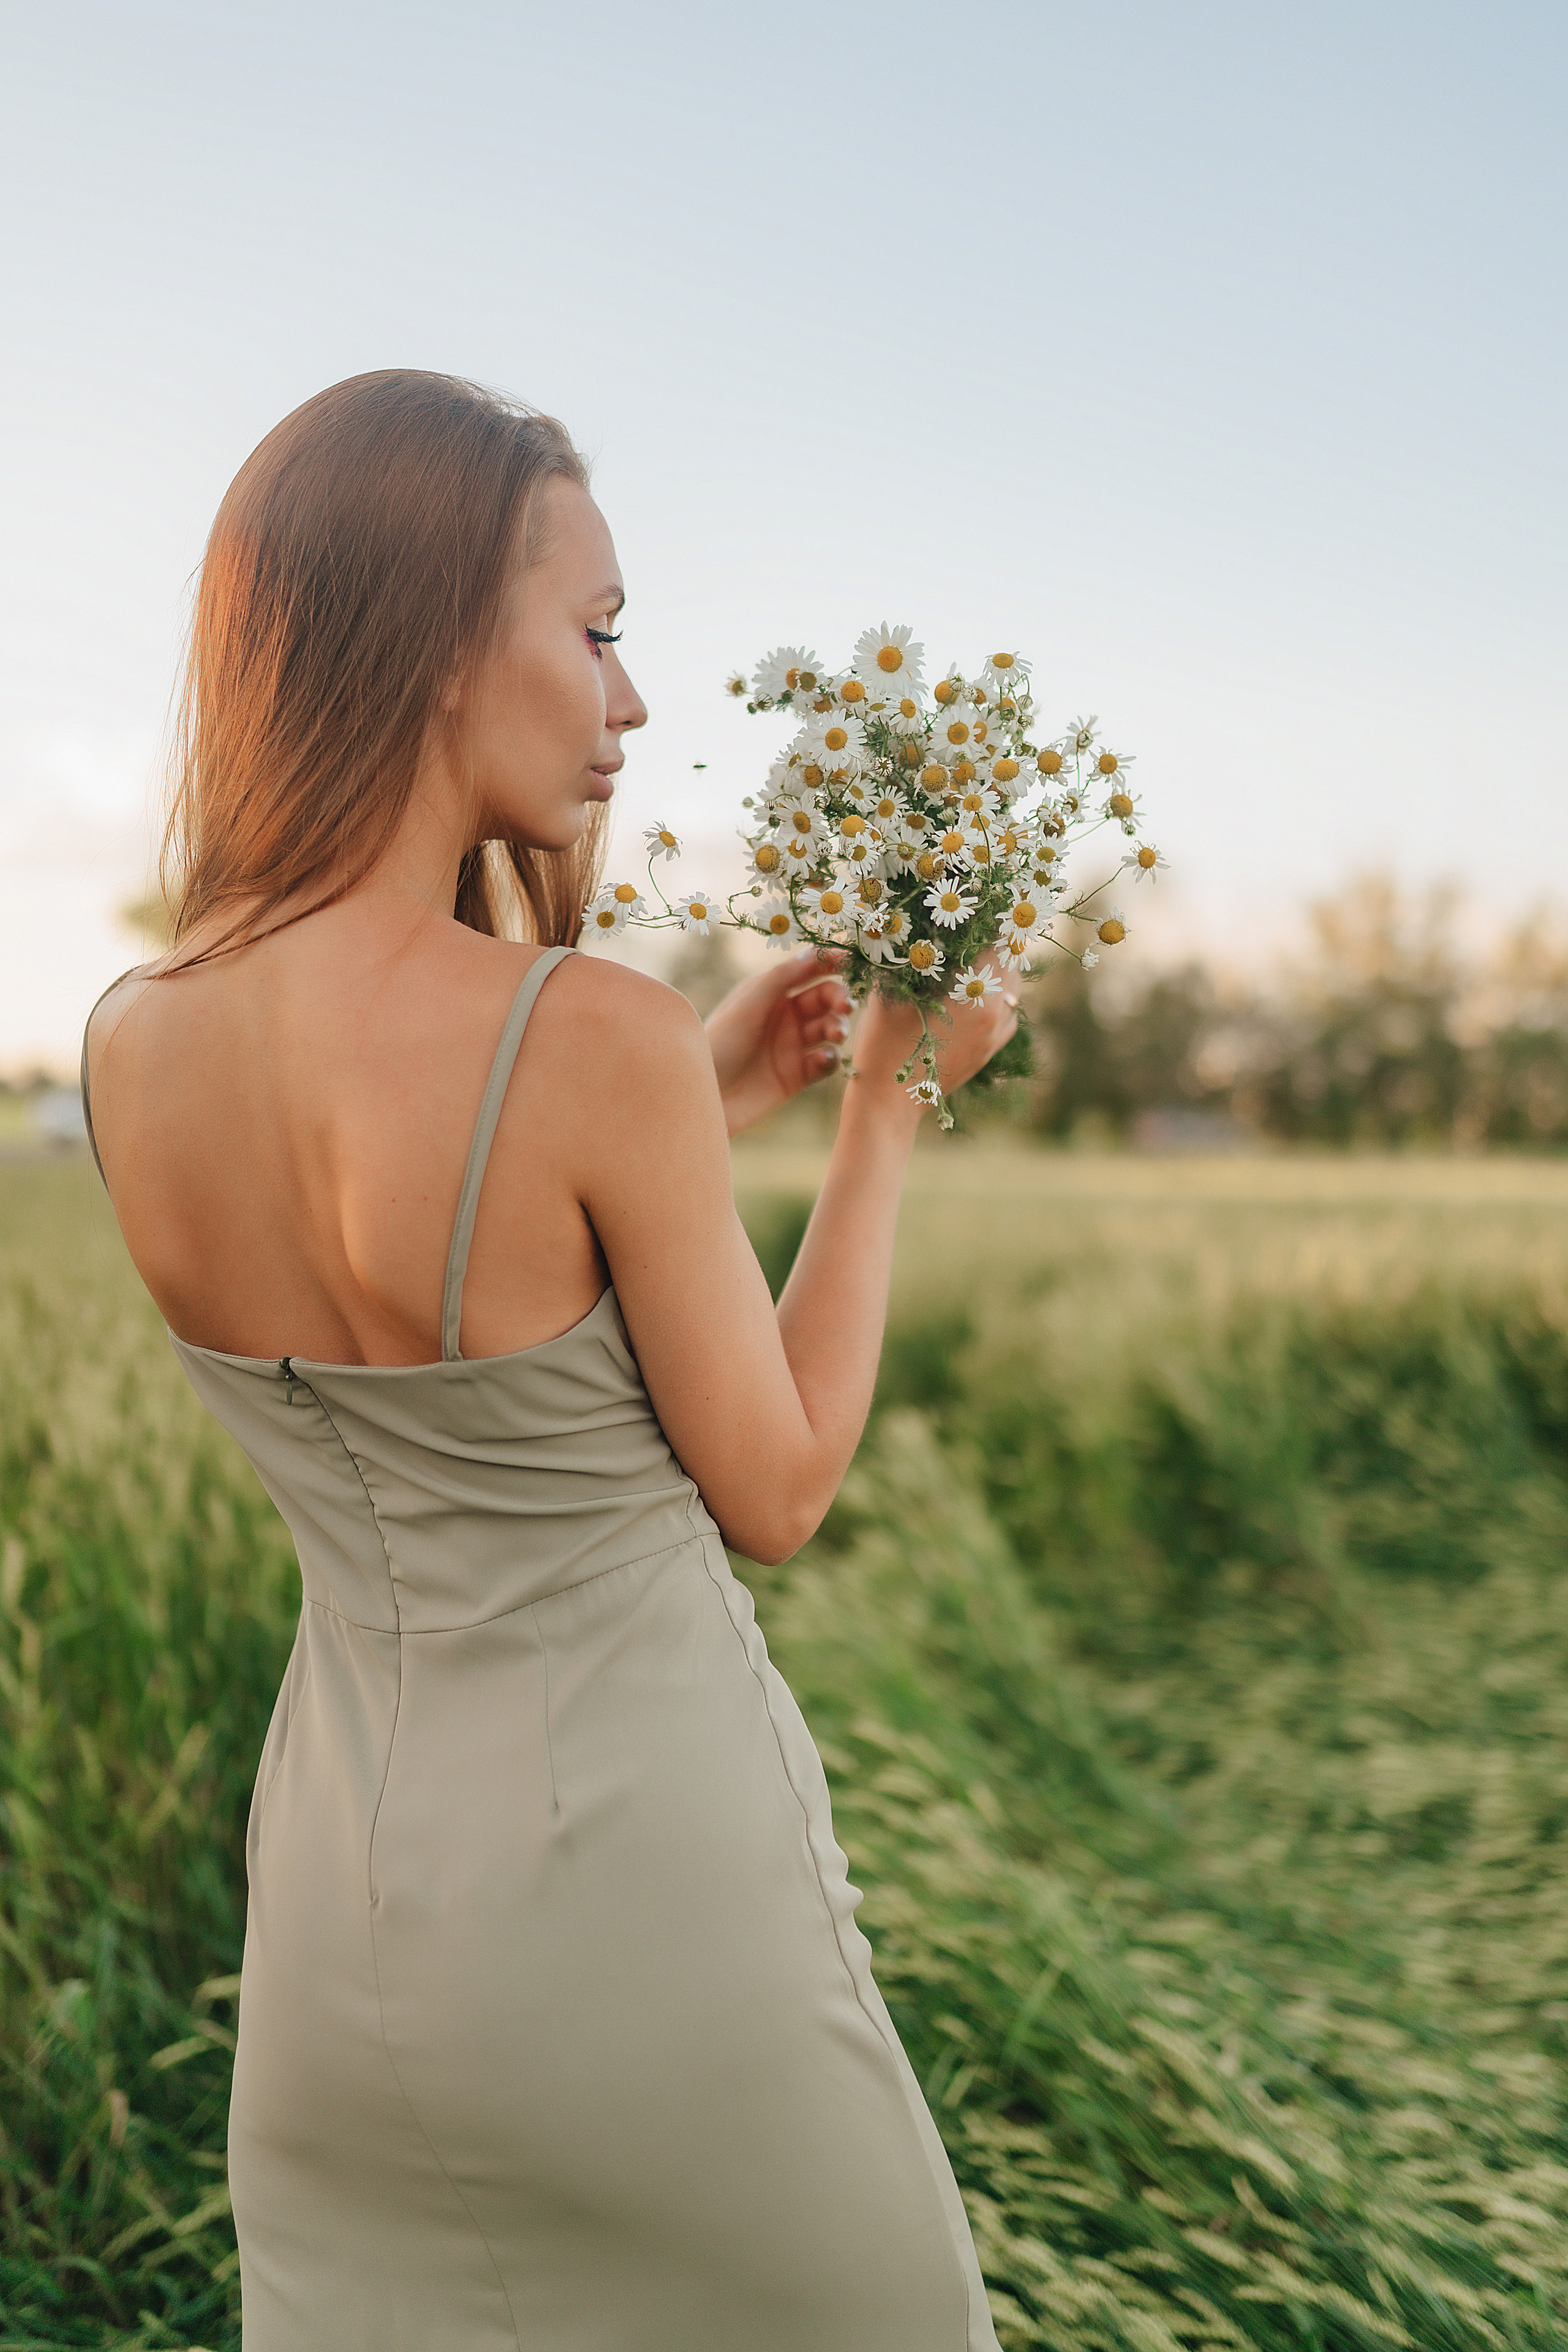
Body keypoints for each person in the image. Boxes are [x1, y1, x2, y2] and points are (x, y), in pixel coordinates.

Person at [81, 370, 1015, 2350]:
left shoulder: (134, 1040)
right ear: (428, 639)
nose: (631, 699)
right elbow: (775, 1489)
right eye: (593, 630)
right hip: (643, 1907)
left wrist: (699, 1096)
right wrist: (889, 1103)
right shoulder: (574, 1027)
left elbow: (438, 1286)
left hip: (345, 1920)